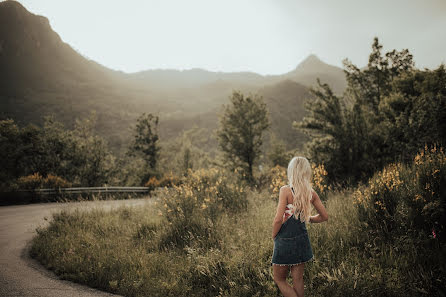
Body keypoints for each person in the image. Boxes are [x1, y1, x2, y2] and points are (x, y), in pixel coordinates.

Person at [271, 156, 328, 297]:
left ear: (292, 171)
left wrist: (274, 235)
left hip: (284, 240)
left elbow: (278, 219)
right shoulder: (311, 193)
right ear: (306, 172)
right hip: (302, 240)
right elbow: (324, 216)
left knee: (279, 279)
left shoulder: (285, 191)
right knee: (298, 279)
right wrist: (308, 219)